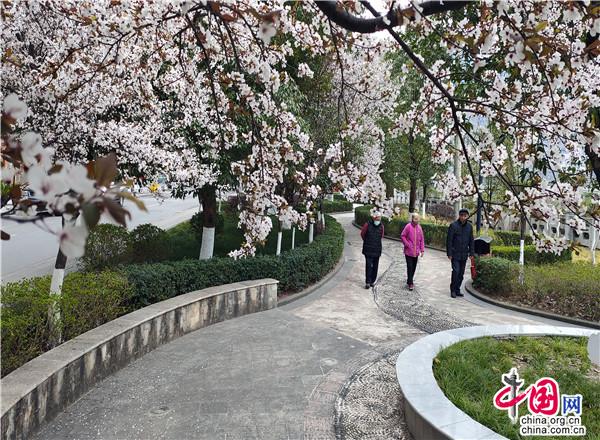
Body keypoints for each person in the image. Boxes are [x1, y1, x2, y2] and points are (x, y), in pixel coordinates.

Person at [446, 208, 474, 298]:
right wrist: (449, 253)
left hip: (464, 254)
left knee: (461, 273)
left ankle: (457, 289)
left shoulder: (469, 227)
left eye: (465, 216)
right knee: (456, 271)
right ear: (459, 216)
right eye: (461, 215)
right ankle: (453, 290)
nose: (463, 217)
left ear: (467, 216)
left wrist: (471, 253)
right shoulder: (453, 226)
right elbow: (449, 240)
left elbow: (471, 241)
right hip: (455, 254)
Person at [401, 212, 425, 291]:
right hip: (408, 252)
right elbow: (403, 236)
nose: (417, 220)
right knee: (410, 266)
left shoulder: (419, 228)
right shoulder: (408, 226)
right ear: (412, 219)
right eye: (415, 219)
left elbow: (422, 239)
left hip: (416, 252)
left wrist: (422, 250)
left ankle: (409, 280)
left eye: (418, 219)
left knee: (414, 267)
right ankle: (411, 283)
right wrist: (407, 244)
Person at [360, 211, 384, 289]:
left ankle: (372, 281)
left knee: (375, 266)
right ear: (374, 218)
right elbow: (362, 234)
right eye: (377, 218)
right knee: (368, 265)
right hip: (368, 248)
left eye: (379, 219)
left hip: (377, 248)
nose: (378, 220)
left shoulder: (381, 226)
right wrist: (367, 241)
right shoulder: (367, 224)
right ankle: (368, 281)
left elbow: (381, 236)